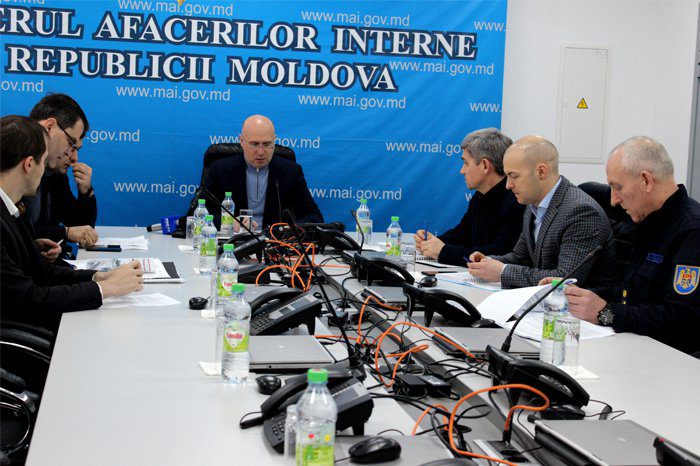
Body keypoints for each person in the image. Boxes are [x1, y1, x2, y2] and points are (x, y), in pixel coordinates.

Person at [558, 136, 700, 355]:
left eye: (618, 187)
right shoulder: (647, 220)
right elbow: (628, 292)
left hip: (670, 358)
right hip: (634, 346)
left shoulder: (692, 231)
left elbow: (681, 319)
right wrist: (577, 295)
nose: (613, 200)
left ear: (646, 181)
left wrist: (606, 313)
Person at [0, 115, 143, 332]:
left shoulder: (11, 210)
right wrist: (107, 288)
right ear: (29, 164)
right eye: (43, 162)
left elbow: (42, 273)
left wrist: (99, 277)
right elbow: (29, 299)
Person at [467, 135, 616, 293]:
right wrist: (488, 262)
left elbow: (564, 279)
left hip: (576, 305)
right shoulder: (533, 204)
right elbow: (520, 258)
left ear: (541, 171)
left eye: (514, 176)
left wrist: (502, 271)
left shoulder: (581, 212)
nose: (508, 185)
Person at [413, 128, 524, 265]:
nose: (462, 171)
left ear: (485, 165)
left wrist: (442, 251)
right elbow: (462, 234)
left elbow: (500, 253)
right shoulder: (479, 196)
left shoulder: (516, 201)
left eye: (466, 163)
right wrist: (431, 243)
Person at [204, 115, 323, 230]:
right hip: (235, 239)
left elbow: (313, 216)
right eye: (254, 144)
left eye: (266, 144)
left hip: (274, 240)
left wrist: (288, 229)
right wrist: (227, 223)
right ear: (241, 141)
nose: (260, 152)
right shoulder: (220, 169)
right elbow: (199, 214)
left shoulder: (290, 171)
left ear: (274, 141)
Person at [22, 93, 99, 253]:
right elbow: (17, 234)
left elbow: (82, 227)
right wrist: (65, 233)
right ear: (49, 127)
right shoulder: (13, 165)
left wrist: (86, 192)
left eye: (76, 149)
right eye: (71, 144)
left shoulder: (54, 172)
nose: (74, 158)